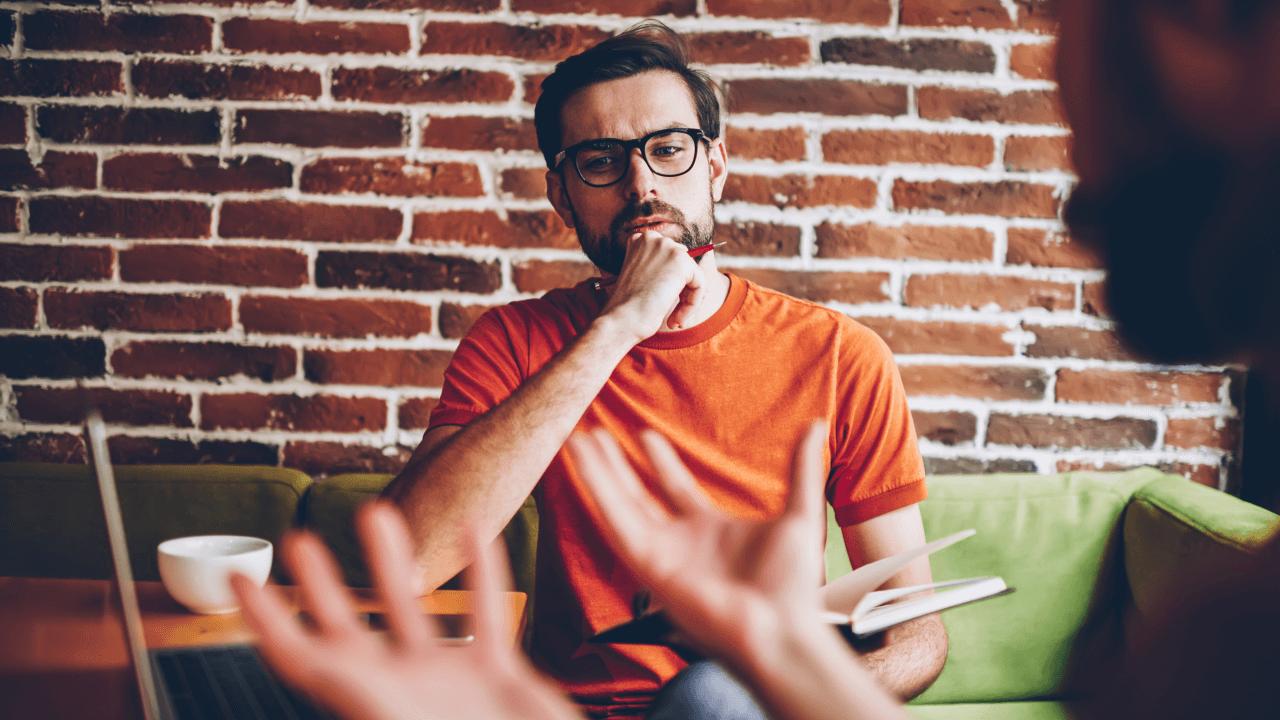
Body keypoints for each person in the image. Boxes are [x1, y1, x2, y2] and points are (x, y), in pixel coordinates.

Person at [378, 19, 946, 719]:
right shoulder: (517, 341)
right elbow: (405, 566)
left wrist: (796, 688)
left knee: (710, 697)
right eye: (600, 161)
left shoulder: (840, 354)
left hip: (752, 706)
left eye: (668, 149)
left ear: (714, 168)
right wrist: (617, 329)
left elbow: (919, 633)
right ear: (562, 196)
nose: (642, 185)